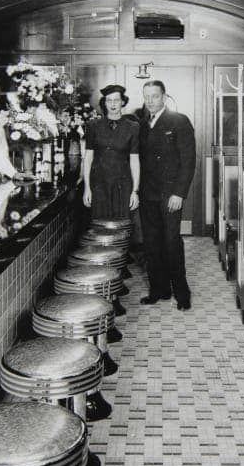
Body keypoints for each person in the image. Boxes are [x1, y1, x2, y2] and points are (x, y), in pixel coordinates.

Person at [137, 79, 196, 310]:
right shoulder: (141, 124)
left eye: (154, 96)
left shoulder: (179, 121)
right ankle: (158, 289)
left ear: (164, 96)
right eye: (147, 96)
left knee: (171, 242)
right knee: (151, 243)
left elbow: (188, 161)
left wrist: (179, 193)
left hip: (170, 193)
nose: (150, 101)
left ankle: (182, 294)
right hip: (148, 193)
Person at [83, 84, 140, 221]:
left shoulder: (133, 127)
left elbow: (134, 160)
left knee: (122, 226)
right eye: (109, 100)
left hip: (123, 184)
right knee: (100, 225)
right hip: (99, 183)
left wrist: (135, 191)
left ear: (123, 102)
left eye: (116, 100)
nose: (113, 104)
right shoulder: (93, 126)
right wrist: (87, 188)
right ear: (105, 103)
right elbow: (88, 158)